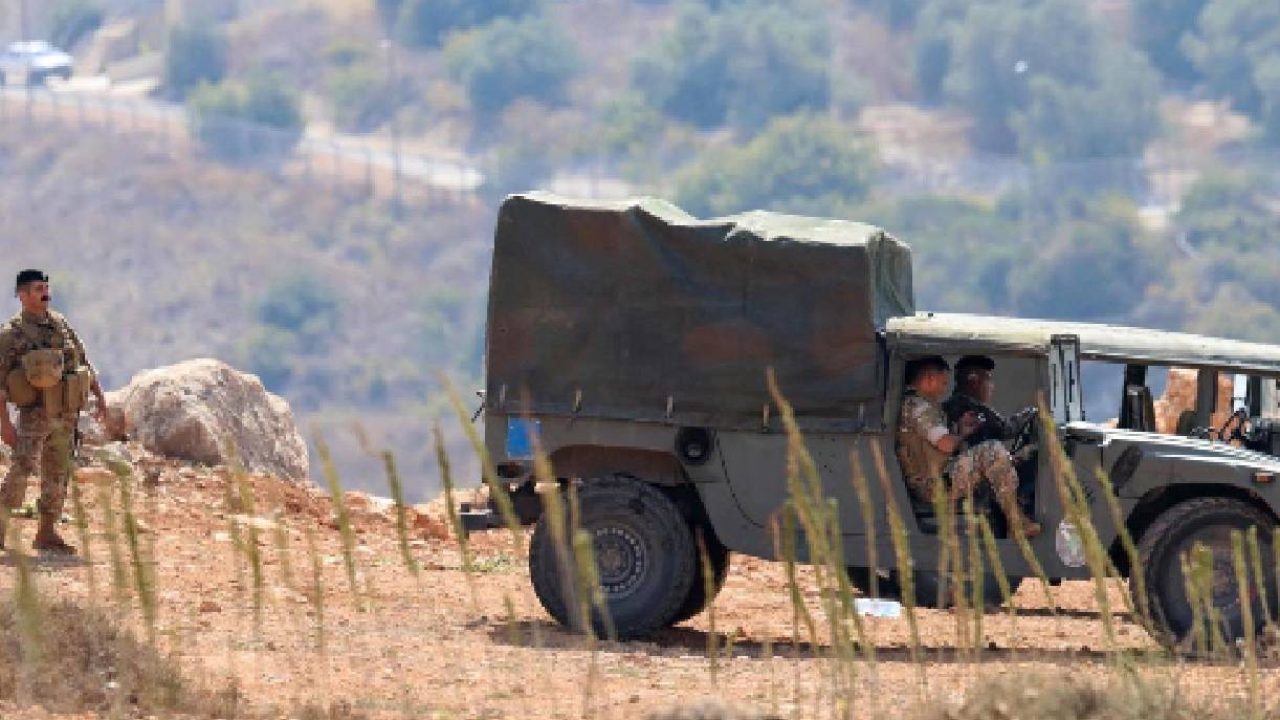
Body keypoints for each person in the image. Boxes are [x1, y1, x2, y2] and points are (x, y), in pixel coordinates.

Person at [0, 269, 107, 553]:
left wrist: (99, 398)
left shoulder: (60, 323)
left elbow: (83, 361)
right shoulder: (11, 334)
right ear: (22, 296)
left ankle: (46, 532)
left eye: (45, 287)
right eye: (37, 289)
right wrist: (5, 424)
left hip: (66, 413)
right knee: (21, 471)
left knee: (57, 473)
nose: (45, 293)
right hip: (34, 415)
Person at [896, 355, 1041, 539]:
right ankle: (1016, 521)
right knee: (992, 451)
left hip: (933, 479)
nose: (944, 389)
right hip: (932, 486)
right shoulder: (919, 407)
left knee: (996, 456)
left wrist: (961, 430)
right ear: (929, 379)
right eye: (943, 382)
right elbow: (946, 444)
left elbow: (939, 444)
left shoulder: (916, 406)